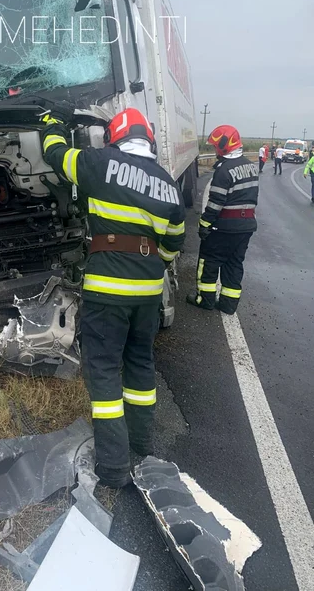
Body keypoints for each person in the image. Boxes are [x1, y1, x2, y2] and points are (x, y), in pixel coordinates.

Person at [41, 107, 185, 488]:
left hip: (108, 289)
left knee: (103, 371)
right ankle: (141, 442)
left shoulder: (100, 162)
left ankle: (114, 467)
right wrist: (151, 267)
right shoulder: (168, 184)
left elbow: (57, 156)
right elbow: (174, 243)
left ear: (114, 138)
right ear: (148, 139)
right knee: (140, 362)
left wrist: (51, 126)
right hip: (149, 292)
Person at [186, 124, 258, 315]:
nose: (214, 150)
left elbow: (216, 203)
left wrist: (204, 224)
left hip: (224, 228)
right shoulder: (251, 167)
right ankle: (228, 305)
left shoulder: (224, 170)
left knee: (208, 261)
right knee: (234, 264)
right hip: (246, 227)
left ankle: (205, 300)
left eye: (215, 146)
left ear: (224, 145)